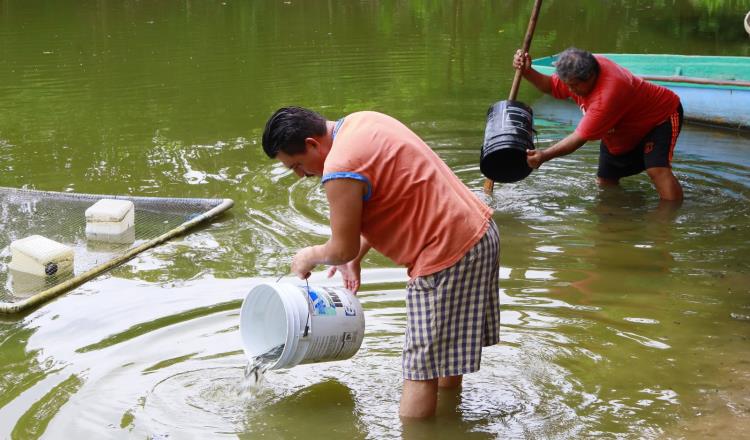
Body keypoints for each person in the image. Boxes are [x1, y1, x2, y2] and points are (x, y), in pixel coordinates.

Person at [261, 107, 500, 418]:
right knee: (445, 356)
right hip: (479, 234)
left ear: (312, 143)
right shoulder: (364, 122)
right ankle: (449, 419)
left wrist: (309, 255)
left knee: (419, 370)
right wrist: (356, 256)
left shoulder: (339, 167)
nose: (301, 174)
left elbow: (340, 248)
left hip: (445, 255)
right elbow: (396, 194)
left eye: (298, 165)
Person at [515, 47, 684, 202]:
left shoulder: (608, 94)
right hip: (620, 128)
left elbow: (578, 138)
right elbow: (551, 86)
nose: (570, 90)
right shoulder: (579, 69)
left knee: (657, 170)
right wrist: (527, 71)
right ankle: (615, 217)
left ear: (591, 76)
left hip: (659, 118)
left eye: (573, 86)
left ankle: (669, 220)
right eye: (567, 84)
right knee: (606, 180)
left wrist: (544, 156)